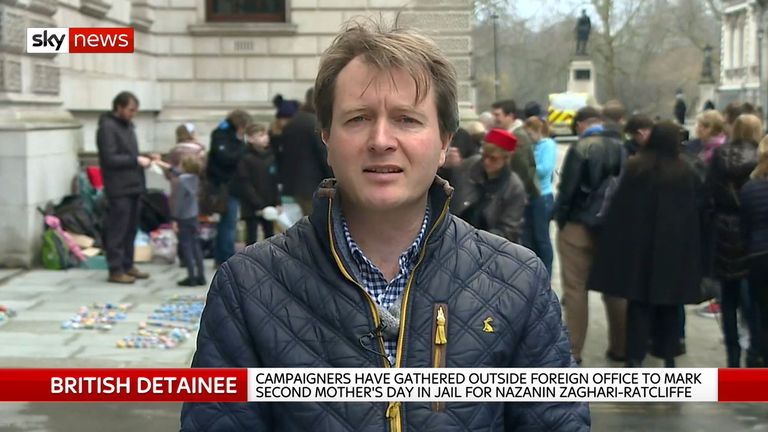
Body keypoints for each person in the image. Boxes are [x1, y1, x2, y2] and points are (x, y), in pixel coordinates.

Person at [181, 21, 589, 431]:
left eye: (407, 120)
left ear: (445, 140)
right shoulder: (248, 286)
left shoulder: (517, 280)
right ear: (326, 136)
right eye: (357, 118)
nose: (380, 139)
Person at [588, 121, 703, 368]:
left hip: (638, 250)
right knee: (670, 306)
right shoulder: (685, 171)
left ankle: (634, 358)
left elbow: (621, 209)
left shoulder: (635, 168)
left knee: (638, 307)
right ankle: (669, 357)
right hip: (672, 251)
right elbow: (695, 213)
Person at [554, 106, 626, 365]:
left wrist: (561, 218)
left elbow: (568, 190)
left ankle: (574, 350)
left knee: (575, 290)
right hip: (614, 228)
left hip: (578, 225)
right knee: (616, 289)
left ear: (582, 124)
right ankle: (621, 346)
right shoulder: (622, 147)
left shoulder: (581, 148)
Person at [707, 113, 762, 367]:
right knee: (755, 297)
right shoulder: (760, 157)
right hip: (754, 233)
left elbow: (709, 193)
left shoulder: (720, 155)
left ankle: (732, 354)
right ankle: (756, 348)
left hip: (723, 230)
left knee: (728, 298)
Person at [96, 91, 152, 284]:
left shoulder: (128, 126)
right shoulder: (107, 127)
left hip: (134, 185)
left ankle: (128, 264)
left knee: (131, 229)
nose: (132, 114)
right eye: (130, 110)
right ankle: (116, 269)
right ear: (118, 107)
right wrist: (136, 160)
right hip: (118, 187)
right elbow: (110, 158)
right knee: (117, 229)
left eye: (135, 110)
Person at [451, 128, 527, 243]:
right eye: (484, 156)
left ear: (506, 159)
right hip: (456, 234)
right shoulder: (470, 165)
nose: (486, 162)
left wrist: (475, 240)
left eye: (493, 159)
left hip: (487, 245)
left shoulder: (514, 187)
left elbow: (508, 230)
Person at [206, 109, 251, 267]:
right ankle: (226, 257)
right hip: (224, 185)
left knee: (226, 223)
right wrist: (241, 145)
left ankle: (221, 257)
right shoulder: (222, 135)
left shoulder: (226, 135)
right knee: (228, 223)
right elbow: (227, 157)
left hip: (229, 185)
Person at [278, 87, 333, 216]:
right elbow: (324, 153)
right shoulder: (314, 123)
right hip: (313, 183)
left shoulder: (295, 121)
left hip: (297, 183)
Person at [156, 155, 207, 286]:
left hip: (183, 217)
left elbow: (177, 203)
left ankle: (191, 276)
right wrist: (162, 163)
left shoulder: (180, 182)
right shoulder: (195, 179)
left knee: (186, 246)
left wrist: (174, 219)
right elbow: (178, 172)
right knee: (196, 246)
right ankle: (201, 275)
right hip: (194, 215)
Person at [740, 135, 768, 365]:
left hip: (758, 256)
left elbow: (745, 226)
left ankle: (757, 354)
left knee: (760, 308)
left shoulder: (750, 188)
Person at [235, 123, 280, 244]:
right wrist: (258, 204)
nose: (265, 138)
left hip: (269, 203)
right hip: (252, 205)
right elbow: (245, 183)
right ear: (250, 138)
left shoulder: (270, 156)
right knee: (251, 236)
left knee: (270, 236)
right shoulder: (245, 158)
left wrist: (277, 201)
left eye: (266, 134)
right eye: (260, 135)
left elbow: (274, 180)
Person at [524, 116, 557, 277]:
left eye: (530, 134)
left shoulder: (548, 145)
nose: (529, 138)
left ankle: (547, 274)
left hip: (543, 196)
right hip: (531, 195)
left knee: (542, 238)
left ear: (538, 131)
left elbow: (544, 169)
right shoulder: (533, 146)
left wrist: (528, 167)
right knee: (529, 238)